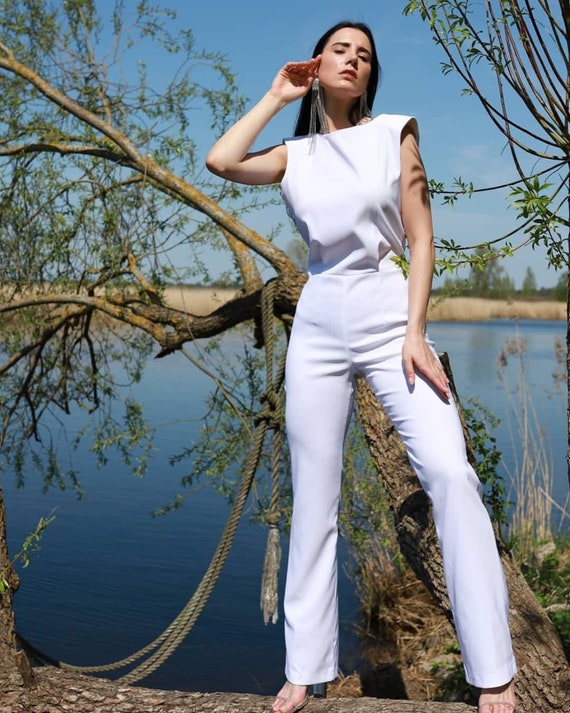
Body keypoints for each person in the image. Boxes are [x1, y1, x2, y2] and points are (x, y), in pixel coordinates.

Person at [206, 20, 518, 713]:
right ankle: (304, 668)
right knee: (314, 497)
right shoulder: (294, 154)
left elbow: (422, 237)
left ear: (372, 75)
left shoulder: (395, 134)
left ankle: (494, 670)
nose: (353, 60)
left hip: (385, 310)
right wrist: (276, 94)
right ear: (318, 65)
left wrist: (415, 331)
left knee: (450, 472)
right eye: (340, 51)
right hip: (318, 318)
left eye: (365, 56)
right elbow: (220, 160)